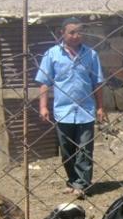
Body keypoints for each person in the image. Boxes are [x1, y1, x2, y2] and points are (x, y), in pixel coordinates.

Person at [35, 17, 106, 199]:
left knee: (84, 150)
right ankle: (72, 181)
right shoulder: (52, 55)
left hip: (85, 111)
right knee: (66, 150)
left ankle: (82, 185)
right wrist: (43, 106)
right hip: (63, 111)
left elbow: (97, 83)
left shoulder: (91, 55)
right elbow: (44, 82)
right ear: (62, 33)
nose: (76, 36)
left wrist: (100, 107)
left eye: (79, 32)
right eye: (72, 32)